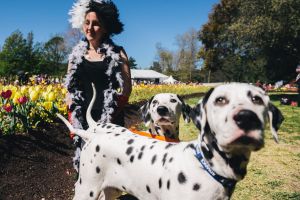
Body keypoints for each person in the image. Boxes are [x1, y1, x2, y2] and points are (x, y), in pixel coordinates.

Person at [65, 0, 132, 172]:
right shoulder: (75, 55)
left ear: (105, 28)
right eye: (87, 23)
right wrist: (73, 117)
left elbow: (126, 89)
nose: (90, 28)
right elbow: (69, 90)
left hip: (110, 120)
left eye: (96, 24)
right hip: (83, 119)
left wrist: (110, 118)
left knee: (109, 169)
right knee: (86, 167)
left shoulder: (118, 53)